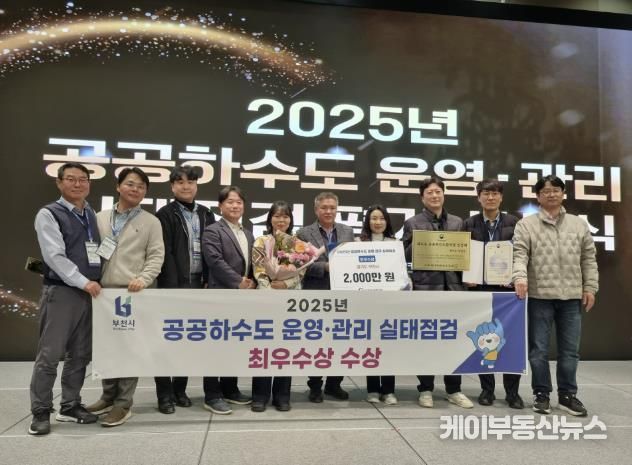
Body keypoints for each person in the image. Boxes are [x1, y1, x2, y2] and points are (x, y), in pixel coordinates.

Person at [513, 175, 598, 416]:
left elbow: (588, 258)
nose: (551, 194)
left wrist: (590, 287)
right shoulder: (526, 225)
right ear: (538, 196)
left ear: (563, 193)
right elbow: (519, 254)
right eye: (546, 191)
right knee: (538, 350)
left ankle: (567, 395)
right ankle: (541, 394)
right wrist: (520, 278)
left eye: (556, 190)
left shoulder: (578, 224)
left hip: (571, 296)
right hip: (540, 296)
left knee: (570, 351)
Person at [86, 167, 165, 427]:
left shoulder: (151, 222)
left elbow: (156, 256)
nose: (135, 189)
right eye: (130, 184)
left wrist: (143, 279)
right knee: (107, 348)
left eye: (141, 186)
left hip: (133, 294)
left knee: (130, 349)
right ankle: (108, 396)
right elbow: (90, 250)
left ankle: (123, 403)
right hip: (102, 294)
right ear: (118, 187)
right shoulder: (99, 217)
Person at [28, 162, 102, 435]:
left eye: (83, 179)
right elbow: (54, 257)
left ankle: (70, 405)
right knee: (49, 355)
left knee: (80, 354)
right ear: (59, 183)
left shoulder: (89, 213)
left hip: (89, 293)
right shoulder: (49, 214)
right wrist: (84, 282)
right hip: (62, 292)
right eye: (71, 179)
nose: (78, 184)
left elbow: (95, 249)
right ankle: (40, 411)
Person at [402, 177, 473, 409]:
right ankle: (425, 389)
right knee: (427, 342)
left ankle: (454, 389)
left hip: (453, 289)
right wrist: (420, 243)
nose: (434, 196)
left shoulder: (457, 222)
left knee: (454, 341)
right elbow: (404, 256)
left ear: (443, 194)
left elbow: (466, 255)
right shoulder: (413, 223)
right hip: (426, 289)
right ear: (422, 197)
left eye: (438, 192)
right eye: (430, 193)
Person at [153, 165, 216, 414]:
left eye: (190, 182)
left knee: (189, 340)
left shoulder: (206, 214)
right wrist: (173, 286)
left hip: (199, 285)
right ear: (172, 186)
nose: (186, 186)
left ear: (196, 185)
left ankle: (180, 390)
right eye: (180, 182)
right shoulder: (164, 214)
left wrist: (208, 279)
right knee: (166, 341)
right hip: (173, 286)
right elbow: (165, 253)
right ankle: (164, 394)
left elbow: (211, 251)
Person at [462, 179, 523, 409]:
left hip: (507, 293)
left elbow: (521, 254)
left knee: (510, 342)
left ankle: (512, 393)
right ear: (478, 197)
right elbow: (463, 255)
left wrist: (515, 277)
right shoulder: (469, 223)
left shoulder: (514, 223)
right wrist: (466, 276)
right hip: (479, 290)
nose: (490, 197)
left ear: (501, 197)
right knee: (484, 340)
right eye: (486, 193)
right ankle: (487, 390)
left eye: (495, 193)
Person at [296, 192, 355, 403]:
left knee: (341, 341)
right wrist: (325, 267)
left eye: (332, 207)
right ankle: (315, 386)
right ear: (316, 210)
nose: (328, 211)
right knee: (316, 342)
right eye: (324, 207)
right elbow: (300, 266)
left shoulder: (347, 231)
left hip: (343, 296)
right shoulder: (303, 233)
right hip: (316, 293)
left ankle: (334, 384)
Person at [201, 185, 255, 414]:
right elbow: (214, 260)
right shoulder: (213, 230)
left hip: (241, 298)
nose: (235, 206)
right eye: (230, 202)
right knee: (216, 346)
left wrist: (253, 280)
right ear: (220, 206)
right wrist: (238, 281)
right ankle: (212, 395)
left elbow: (253, 263)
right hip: (220, 296)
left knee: (234, 344)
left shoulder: (248, 233)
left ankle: (230, 389)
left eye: (239, 202)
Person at [250, 201, 299, 412]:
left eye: (285, 216)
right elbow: (258, 270)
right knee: (264, 347)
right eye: (277, 216)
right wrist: (269, 290)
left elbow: (301, 271)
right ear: (270, 218)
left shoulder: (297, 243)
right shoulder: (261, 241)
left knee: (286, 348)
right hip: (266, 301)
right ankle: (260, 396)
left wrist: (285, 284)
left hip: (290, 301)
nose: (281, 220)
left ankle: (282, 395)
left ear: (291, 220)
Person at [360, 205, 398, 406]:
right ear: (367, 221)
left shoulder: (395, 244)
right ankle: (373, 389)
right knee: (371, 347)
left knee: (389, 347)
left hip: (389, 304)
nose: (377, 222)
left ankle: (389, 390)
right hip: (367, 304)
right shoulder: (358, 243)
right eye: (373, 218)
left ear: (387, 221)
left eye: (382, 218)